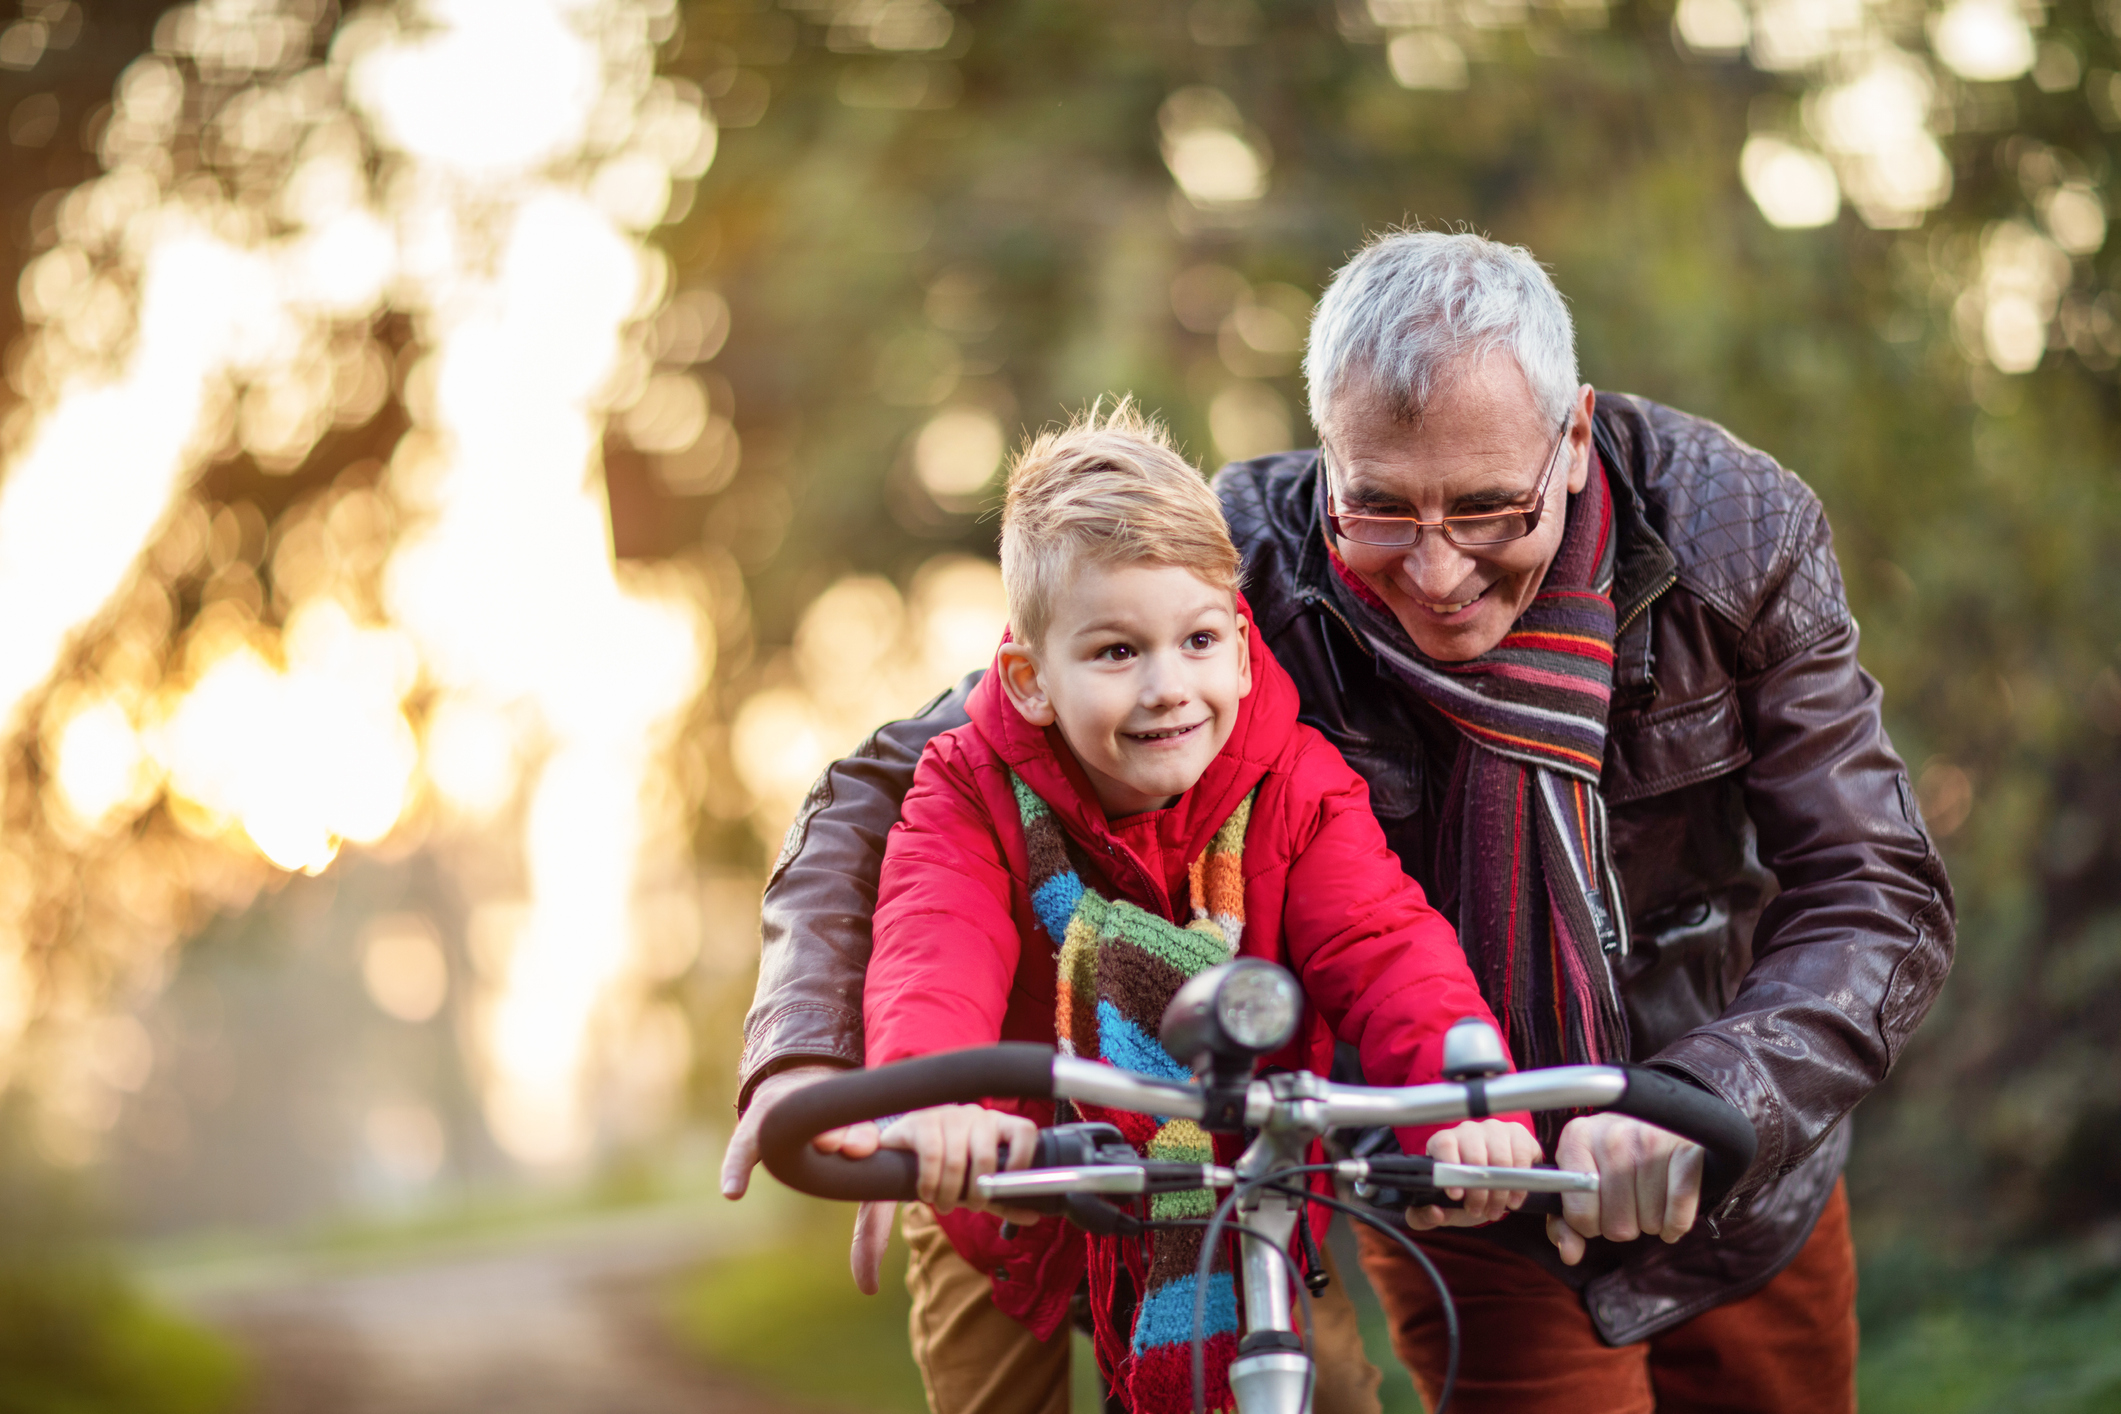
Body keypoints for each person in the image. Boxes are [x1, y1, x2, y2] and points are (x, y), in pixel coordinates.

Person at [723, 231, 1956, 1413]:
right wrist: (811, 1063)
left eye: (1485, 509)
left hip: (1737, 1155)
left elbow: (1875, 884)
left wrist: (1706, 1093)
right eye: (1380, 509)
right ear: (1326, 455)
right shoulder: (1231, 582)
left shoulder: (1733, 535)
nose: (1435, 569)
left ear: (1572, 440)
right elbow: (907, 783)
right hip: (1472, 1169)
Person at [854, 403, 1537, 1414]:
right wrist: (927, 1096)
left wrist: (1473, 1101)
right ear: (1030, 681)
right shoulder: (969, 787)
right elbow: (931, 944)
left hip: (1232, 1174)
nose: (1170, 687)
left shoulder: (1294, 783)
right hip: (1013, 1176)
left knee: (1334, 1388)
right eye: (1117, 652)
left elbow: (1387, 944)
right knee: (989, 1390)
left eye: (1199, 638)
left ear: (1243, 643)